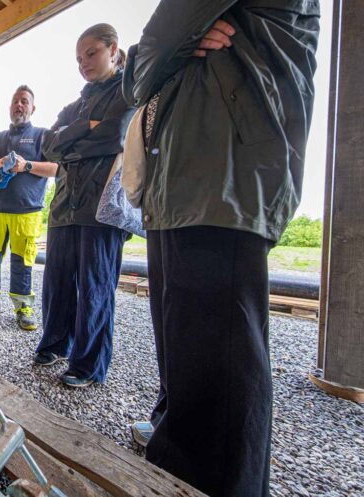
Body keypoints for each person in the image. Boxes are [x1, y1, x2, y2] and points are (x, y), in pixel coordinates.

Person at [123, 2, 320, 496]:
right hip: (181, 181)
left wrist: (170, 52)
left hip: (223, 174)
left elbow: (156, 45)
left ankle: (215, 483)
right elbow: (142, 70)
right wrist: (171, 50)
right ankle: (175, 462)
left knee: (219, 370)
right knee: (184, 352)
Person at [33, 24, 135, 388]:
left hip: (101, 206)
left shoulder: (127, 92)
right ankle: (56, 343)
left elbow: (115, 135)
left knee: (94, 287)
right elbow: (48, 147)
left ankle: (88, 365)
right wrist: (85, 128)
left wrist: (73, 136)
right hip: (64, 205)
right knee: (57, 282)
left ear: (112, 49)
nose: (84, 63)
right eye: (78, 58)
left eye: (91, 53)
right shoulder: (75, 105)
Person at [0, 85, 58, 330]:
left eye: (24, 101)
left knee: (22, 261)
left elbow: (56, 168)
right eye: (16, 101)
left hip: (27, 212)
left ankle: (22, 307)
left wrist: (26, 165)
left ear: (32, 108)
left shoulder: (42, 135)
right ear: (10, 107)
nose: (19, 105)